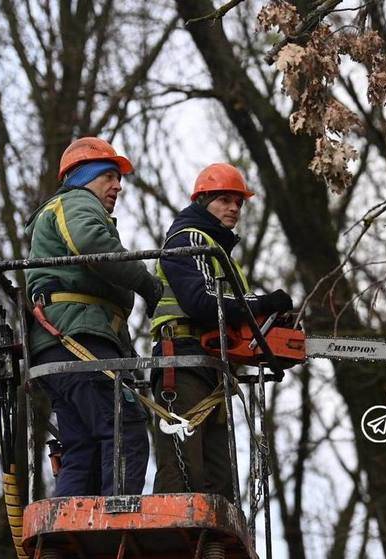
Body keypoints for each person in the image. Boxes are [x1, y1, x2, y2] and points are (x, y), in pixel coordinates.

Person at [24, 137, 163, 497]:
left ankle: (65, 541)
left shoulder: (68, 209)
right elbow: (92, 245)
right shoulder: (76, 202)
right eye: (109, 177)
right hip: (74, 337)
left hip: (63, 341)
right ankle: (114, 524)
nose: (118, 186)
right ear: (85, 176)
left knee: (83, 447)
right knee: (125, 427)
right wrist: (148, 285)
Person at [150, 163, 293, 497]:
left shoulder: (220, 253)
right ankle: (175, 543)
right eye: (224, 200)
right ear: (203, 202)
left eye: (238, 202)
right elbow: (203, 301)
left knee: (220, 480)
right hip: (181, 361)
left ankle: (215, 546)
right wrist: (263, 302)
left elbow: (234, 313)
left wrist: (270, 331)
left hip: (212, 366)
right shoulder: (188, 240)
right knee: (184, 471)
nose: (233, 208)